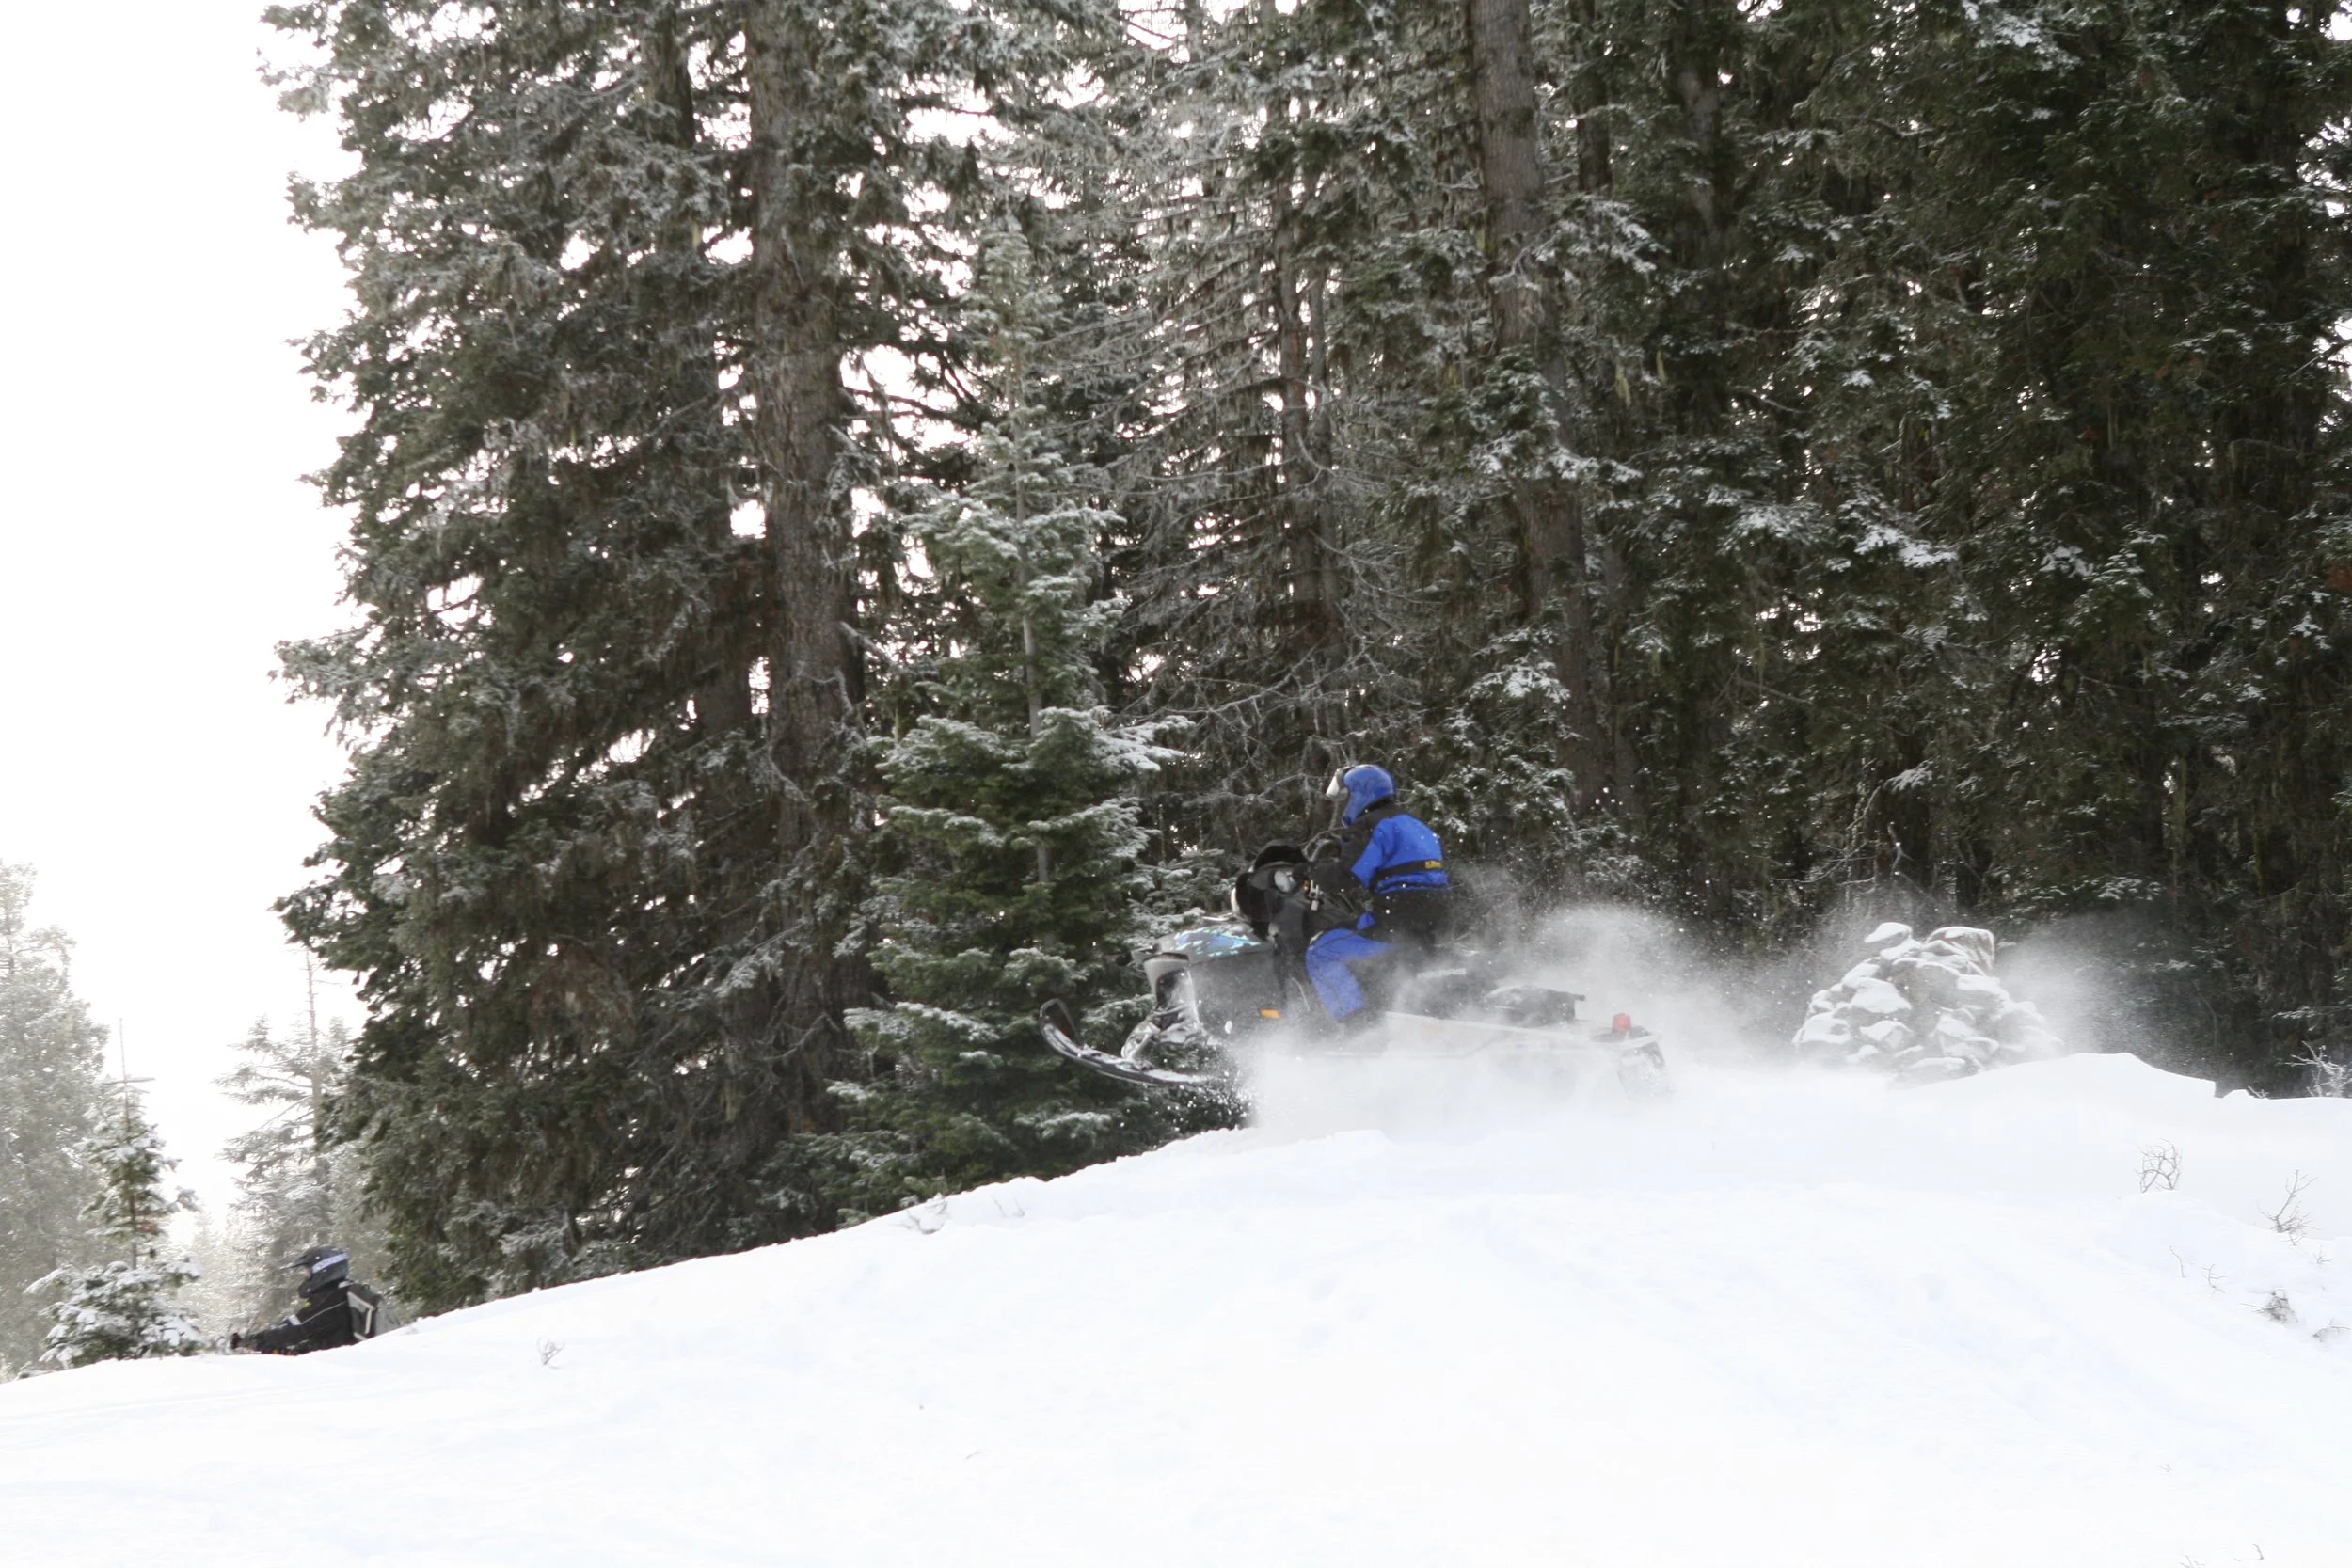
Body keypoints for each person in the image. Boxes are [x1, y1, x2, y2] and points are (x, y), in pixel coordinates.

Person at [1301, 763, 1451, 1026]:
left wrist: (1308, 871)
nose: (1344, 804)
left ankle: (1356, 1025)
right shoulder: (1415, 824)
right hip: (1434, 915)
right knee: (1363, 934)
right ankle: (1391, 1006)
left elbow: (1346, 876)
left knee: (1320, 950)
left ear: (1361, 793)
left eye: (1346, 796)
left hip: (1398, 916)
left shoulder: (1371, 826)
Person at [231, 1244, 388, 1355]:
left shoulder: (331, 1299)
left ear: (323, 1271)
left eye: (308, 1271)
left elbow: (296, 1330)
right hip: (335, 1357)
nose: (306, 1276)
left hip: (331, 1365)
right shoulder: (343, 1293)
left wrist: (251, 1340)